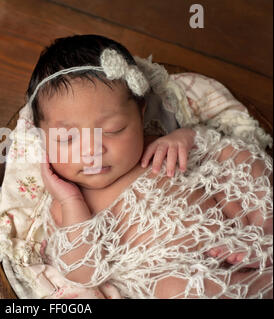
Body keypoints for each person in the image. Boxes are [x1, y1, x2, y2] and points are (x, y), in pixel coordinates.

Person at [27, 35, 273, 298]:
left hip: (234, 225)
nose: (92, 151)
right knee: (178, 290)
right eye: (67, 139)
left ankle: (266, 237)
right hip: (175, 273)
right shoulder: (64, 207)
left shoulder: (156, 143)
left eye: (113, 129)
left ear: (140, 114)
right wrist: (70, 199)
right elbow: (83, 273)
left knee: (236, 154)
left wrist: (188, 137)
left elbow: (212, 158)